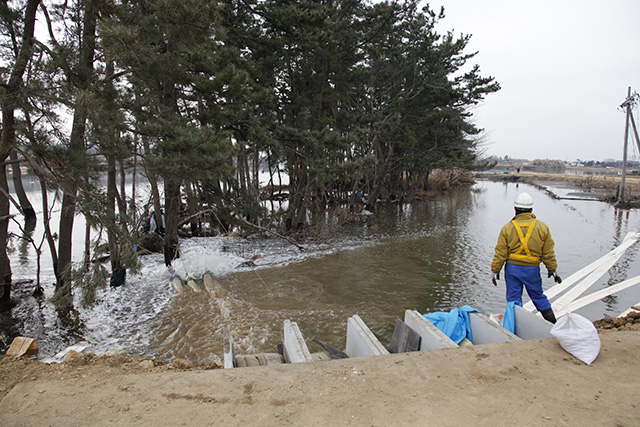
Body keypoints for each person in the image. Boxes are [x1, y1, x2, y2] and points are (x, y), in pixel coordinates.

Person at [491, 192, 561, 323]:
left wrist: (495, 270)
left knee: (513, 301)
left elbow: (500, 253)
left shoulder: (507, 228)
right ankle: (554, 325)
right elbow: (548, 253)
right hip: (532, 270)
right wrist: (553, 269)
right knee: (538, 297)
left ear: (515, 209)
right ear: (531, 209)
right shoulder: (542, 227)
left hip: (512, 270)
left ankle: (514, 329)